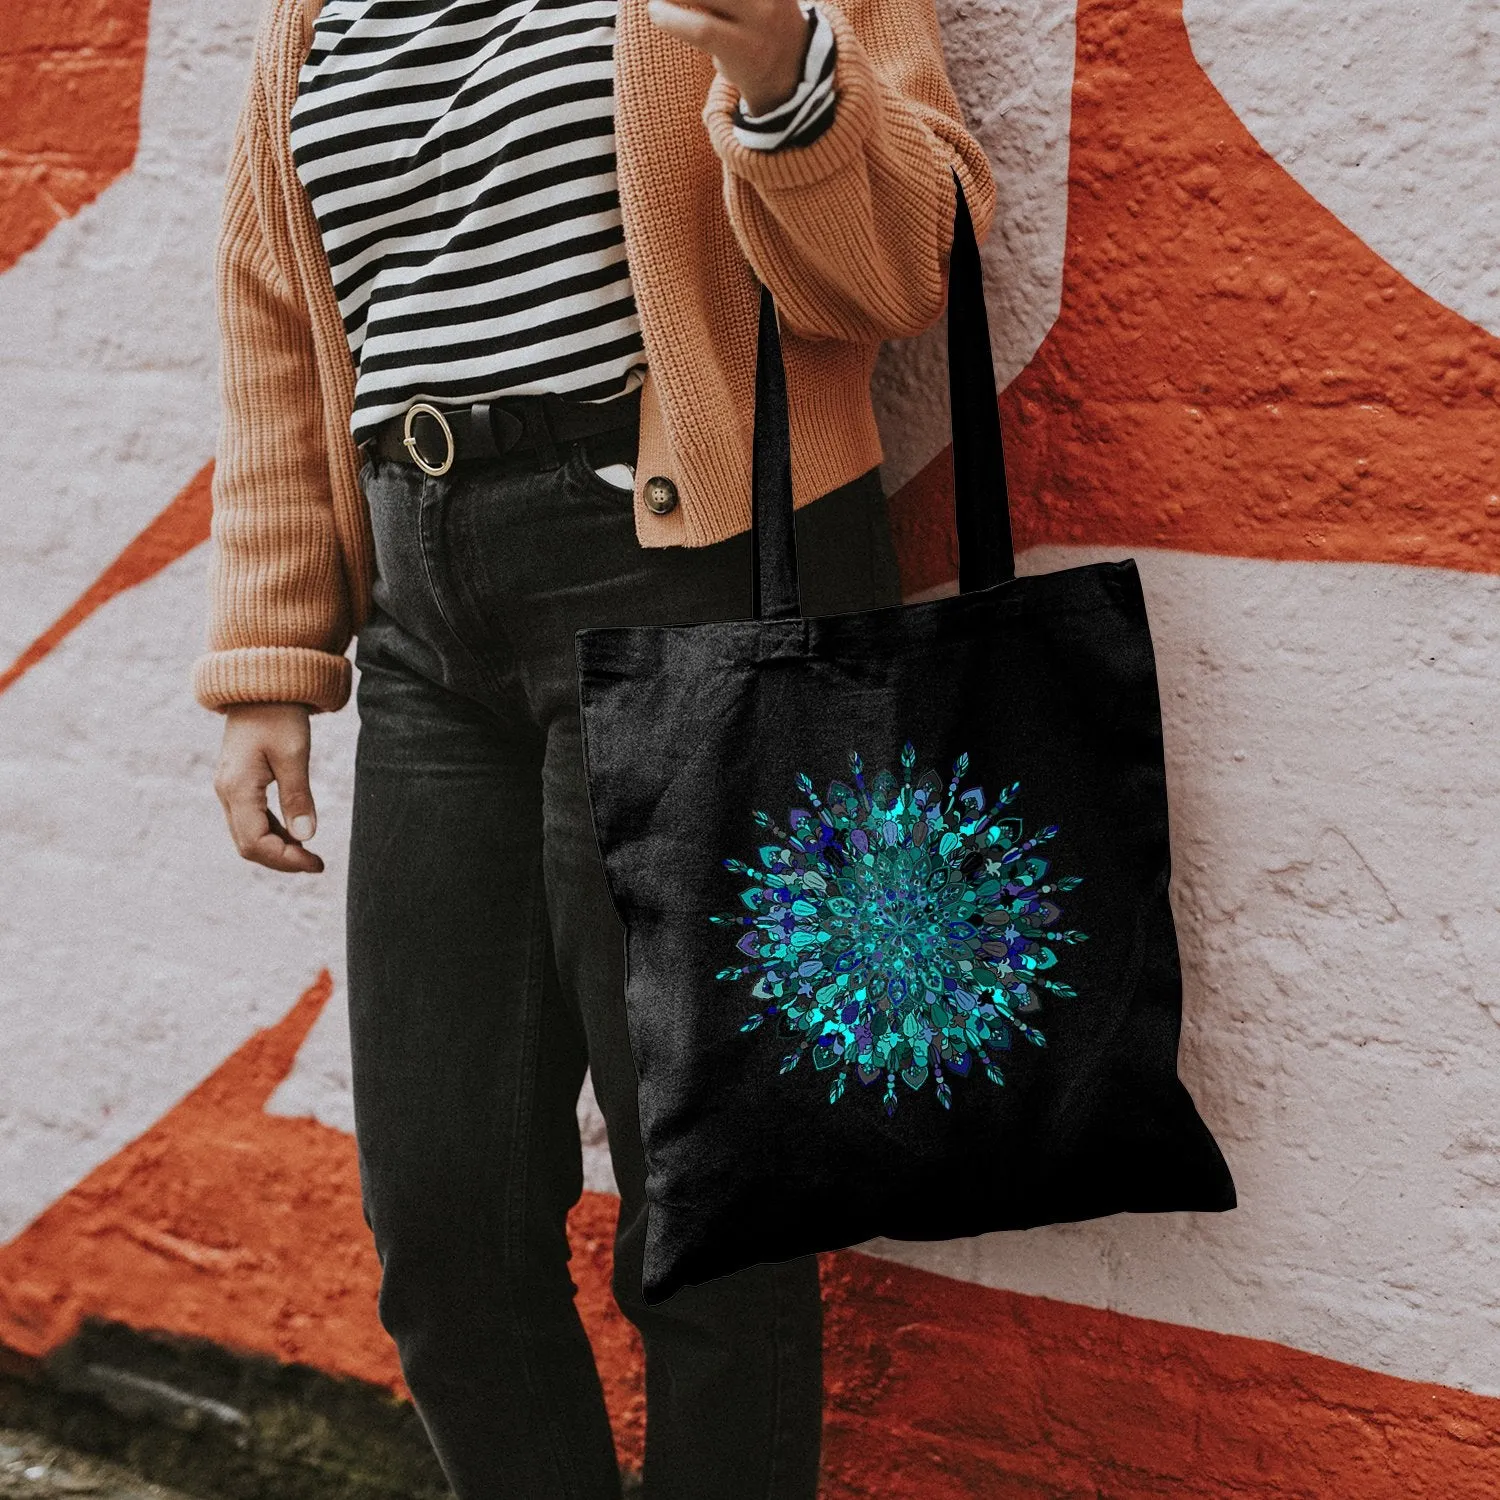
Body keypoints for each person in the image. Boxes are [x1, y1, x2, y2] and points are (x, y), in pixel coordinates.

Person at [196, 0, 994, 1493]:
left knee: (704, 1221)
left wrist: (781, 73)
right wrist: (269, 652)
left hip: (692, 581)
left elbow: (903, 265)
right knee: (443, 1229)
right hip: (428, 621)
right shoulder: (310, 12)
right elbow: (273, 316)